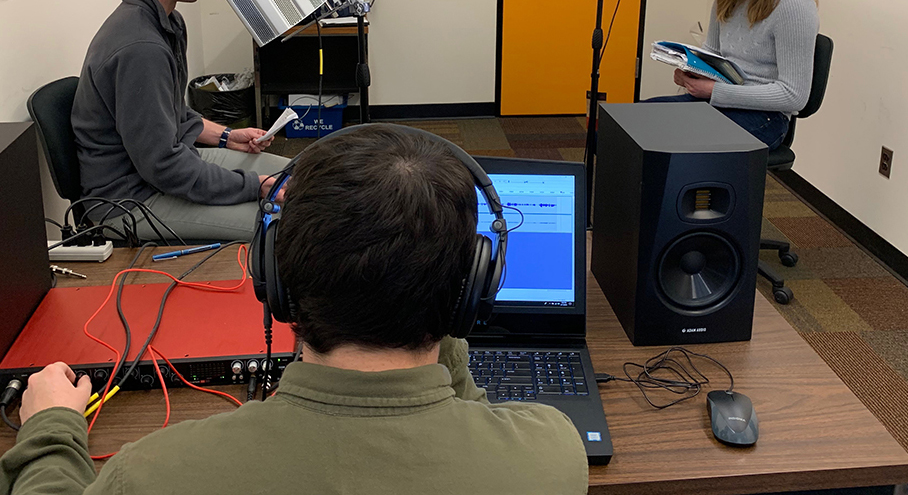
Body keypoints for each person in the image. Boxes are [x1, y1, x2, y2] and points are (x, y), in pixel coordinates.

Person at [0, 125, 589, 494]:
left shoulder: (152, 475)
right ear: (472, 291)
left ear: (275, 280)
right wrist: (436, 305)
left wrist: (51, 430)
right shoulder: (551, 456)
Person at [71, 0, 289, 243]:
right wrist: (254, 187)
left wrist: (227, 136)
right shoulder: (141, 47)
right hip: (128, 202)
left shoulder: (167, 22)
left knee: (299, 176)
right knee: (288, 225)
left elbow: (170, 115)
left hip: (162, 171)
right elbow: (163, 166)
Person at [648, 0, 819, 150]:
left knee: (664, 141)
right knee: (633, 125)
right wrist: (692, 75)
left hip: (765, 118)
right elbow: (711, 56)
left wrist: (713, 92)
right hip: (721, 102)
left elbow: (794, 95)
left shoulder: (794, 3)